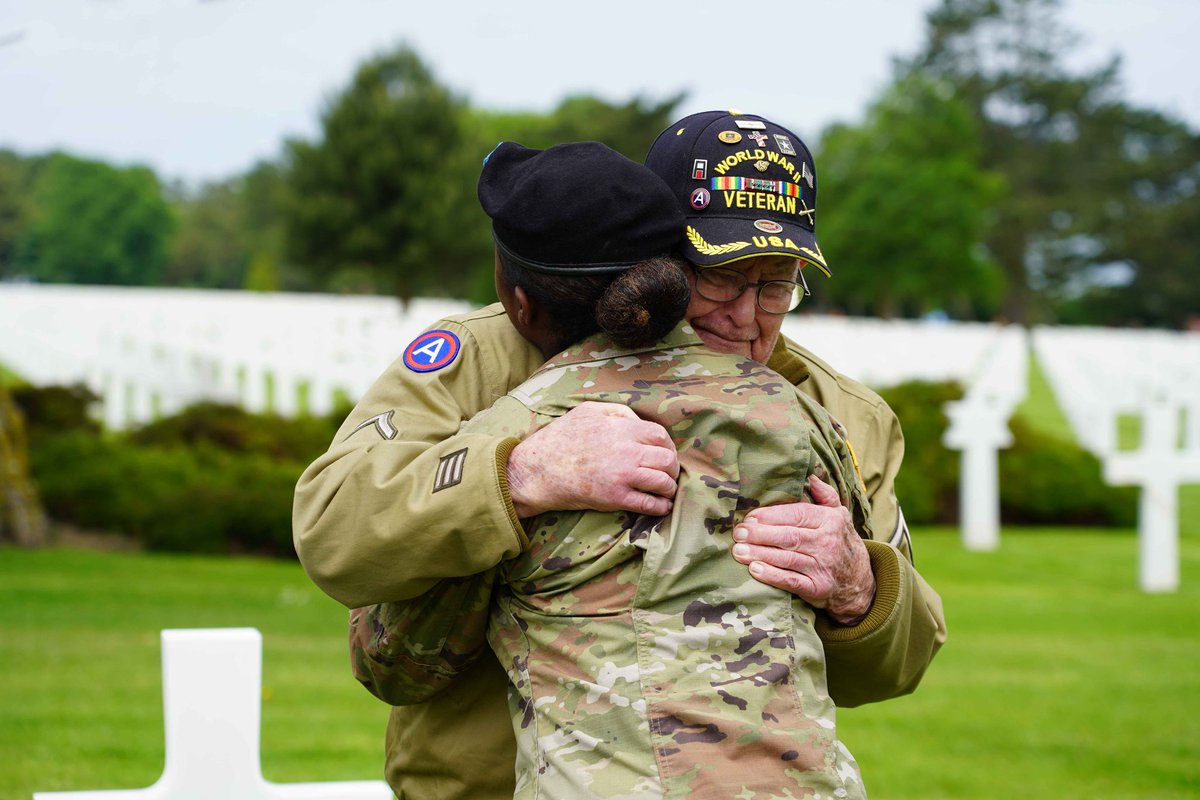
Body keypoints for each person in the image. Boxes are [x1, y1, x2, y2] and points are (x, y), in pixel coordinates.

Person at [293, 110, 946, 800]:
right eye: (718, 278)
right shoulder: (489, 360)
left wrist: (859, 589)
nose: (746, 317)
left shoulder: (836, 413)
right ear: (655, 259)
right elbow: (335, 527)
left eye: (777, 284)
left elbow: (900, 664)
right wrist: (518, 474)